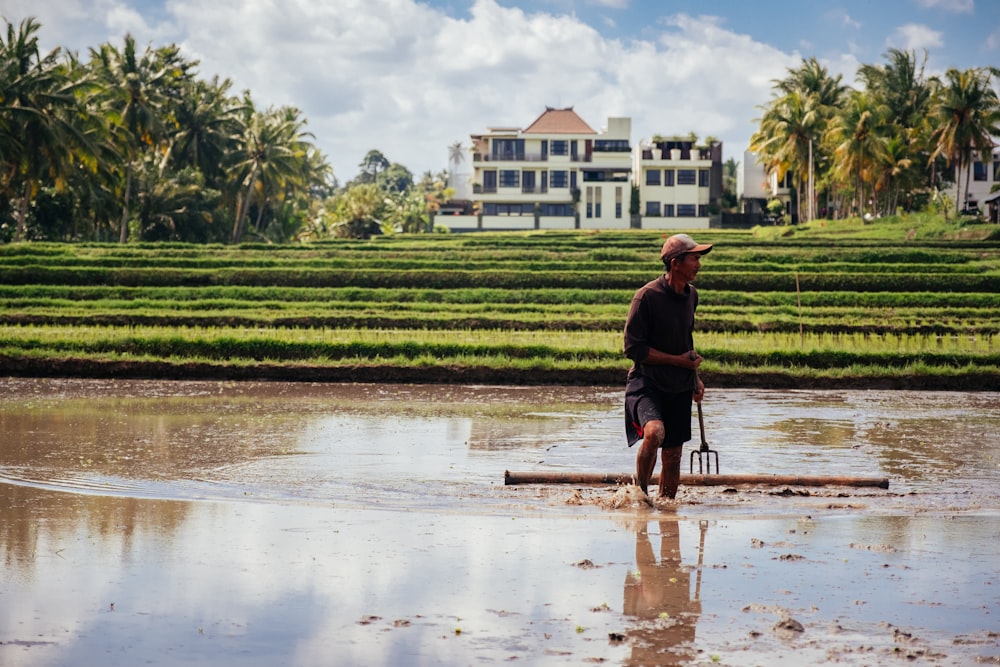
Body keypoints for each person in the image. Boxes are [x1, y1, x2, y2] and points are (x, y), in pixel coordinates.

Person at [623, 233, 712, 499]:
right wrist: (677, 361)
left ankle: (667, 512)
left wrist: (695, 377)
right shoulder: (646, 297)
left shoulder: (691, 295)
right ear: (675, 263)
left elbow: (686, 340)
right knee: (654, 432)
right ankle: (640, 496)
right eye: (694, 258)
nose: (698, 264)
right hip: (647, 381)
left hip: (679, 384)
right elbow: (633, 349)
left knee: (673, 455)